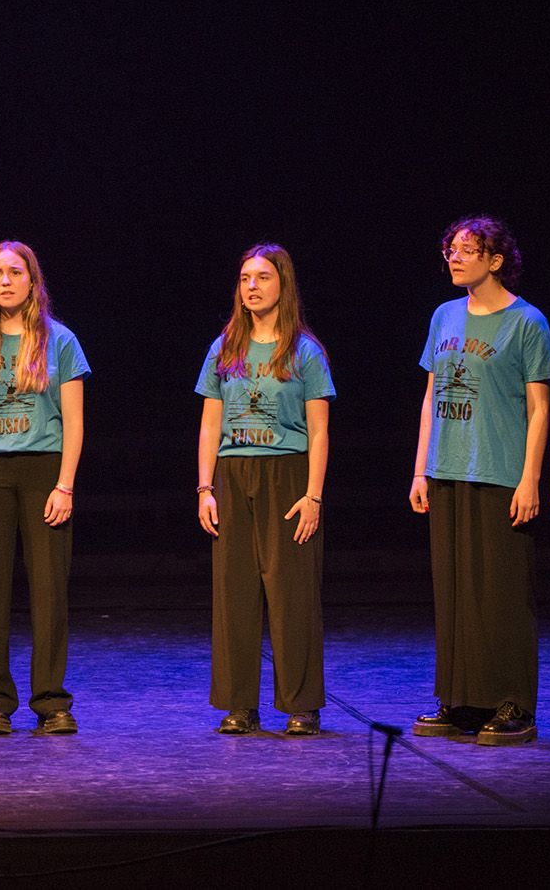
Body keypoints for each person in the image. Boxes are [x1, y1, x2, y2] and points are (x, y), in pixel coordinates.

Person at [409, 216, 550, 746]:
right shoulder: (444, 315)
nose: (454, 257)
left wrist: (531, 478)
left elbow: (540, 408)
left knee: (502, 592)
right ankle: (460, 699)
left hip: (498, 470)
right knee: (454, 591)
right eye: (450, 249)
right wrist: (420, 467)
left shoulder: (527, 321)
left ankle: (512, 701)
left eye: (467, 250)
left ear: (495, 260)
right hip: (447, 468)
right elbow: (430, 395)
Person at [0, 241, 89, 736]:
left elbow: (74, 419)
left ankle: (51, 701)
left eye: (14, 272)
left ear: (32, 280)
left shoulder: (60, 341)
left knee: (49, 591)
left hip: (44, 470)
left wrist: (65, 485)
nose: (5, 281)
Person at [194, 244, 334, 736]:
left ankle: (300, 703)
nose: (252, 286)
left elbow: (319, 430)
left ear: (282, 285)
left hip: (287, 476)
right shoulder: (224, 347)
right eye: (244, 277)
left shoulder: (304, 351)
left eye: (263, 277)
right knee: (234, 594)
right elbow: (210, 424)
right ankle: (240, 704)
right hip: (232, 476)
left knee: (291, 593)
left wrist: (314, 495)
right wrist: (204, 488)